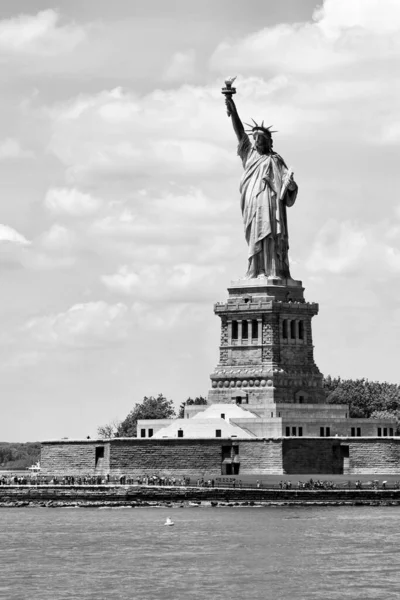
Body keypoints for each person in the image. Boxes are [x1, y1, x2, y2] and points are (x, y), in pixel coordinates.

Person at [225, 95, 298, 279]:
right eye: (255, 138)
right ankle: (255, 270)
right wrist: (231, 105)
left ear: (268, 142)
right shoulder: (248, 154)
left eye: (261, 139)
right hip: (253, 203)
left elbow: (288, 184)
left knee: (272, 236)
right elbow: (239, 131)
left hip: (272, 204)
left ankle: (274, 270)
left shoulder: (275, 159)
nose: (257, 141)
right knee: (255, 236)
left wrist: (290, 186)